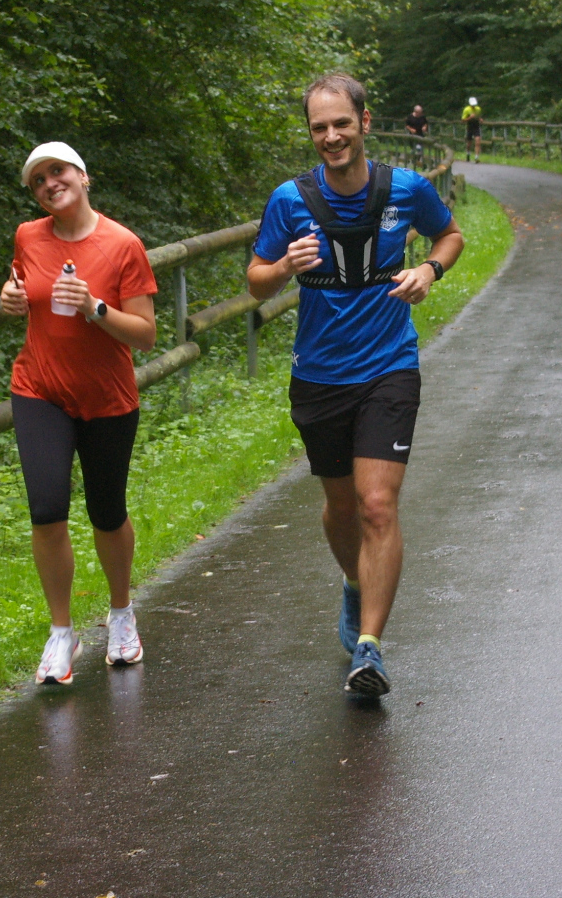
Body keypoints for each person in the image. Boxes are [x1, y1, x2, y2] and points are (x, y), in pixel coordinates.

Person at [247, 74, 464, 697]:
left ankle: (369, 647)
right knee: (341, 507)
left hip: (389, 366)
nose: (332, 136)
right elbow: (256, 280)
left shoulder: (406, 189)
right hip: (318, 374)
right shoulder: (290, 199)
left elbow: (450, 234)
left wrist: (430, 269)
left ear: (364, 123)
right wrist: (283, 266)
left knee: (376, 505)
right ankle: (353, 582)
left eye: (342, 123)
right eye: (320, 127)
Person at [0, 142, 159, 685]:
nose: (50, 183)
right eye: (38, 180)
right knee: (46, 509)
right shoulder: (28, 235)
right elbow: (21, 284)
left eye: (58, 171)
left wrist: (95, 306)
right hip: (39, 389)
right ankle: (61, 633)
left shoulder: (123, 244)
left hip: (107, 397)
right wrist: (11, 295)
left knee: (106, 511)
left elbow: (146, 335)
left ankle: (121, 613)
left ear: (83, 176)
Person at [462, 96, 483, 161]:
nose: (473, 106)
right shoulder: (466, 109)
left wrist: (480, 119)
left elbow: (478, 116)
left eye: (474, 105)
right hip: (469, 127)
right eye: (472, 105)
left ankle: (476, 157)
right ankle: (468, 153)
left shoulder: (478, 109)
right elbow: (463, 120)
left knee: (478, 141)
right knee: (469, 143)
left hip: (476, 126)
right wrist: (470, 118)